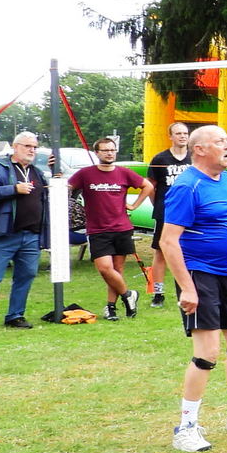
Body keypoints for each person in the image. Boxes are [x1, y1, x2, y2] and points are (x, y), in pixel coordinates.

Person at [162, 125, 227, 451]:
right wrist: (187, 288)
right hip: (200, 275)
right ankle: (186, 428)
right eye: (220, 141)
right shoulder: (187, 186)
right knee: (207, 353)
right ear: (200, 149)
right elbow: (168, 241)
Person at [68, 137, 153, 322]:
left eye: (112, 150)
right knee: (105, 269)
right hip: (97, 229)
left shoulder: (124, 173)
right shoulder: (85, 174)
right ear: (97, 153)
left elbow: (147, 186)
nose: (109, 153)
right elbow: (67, 187)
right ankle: (128, 295)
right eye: (105, 150)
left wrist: (135, 205)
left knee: (117, 270)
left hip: (122, 228)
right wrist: (55, 174)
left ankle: (111, 308)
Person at [0, 132, 50, 330]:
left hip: (31, 235)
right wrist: (14, 189)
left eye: (35, 147)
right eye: (27, 146)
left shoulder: (37, 172)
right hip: (3, 233)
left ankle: (15, 315)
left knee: (26, 275)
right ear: (15, 147)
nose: (32, 150)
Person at [146, 121, 192, 308]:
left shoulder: (194, 157)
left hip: (191, 213)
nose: (183, 136)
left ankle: (190, 289)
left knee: (191, 250)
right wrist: (159, 206)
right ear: (170, 136)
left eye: (185, 133)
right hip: (166, 214)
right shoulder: (160, 159)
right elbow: (150, 186)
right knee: (161, 252)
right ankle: (157, 293)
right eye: (178, 133)